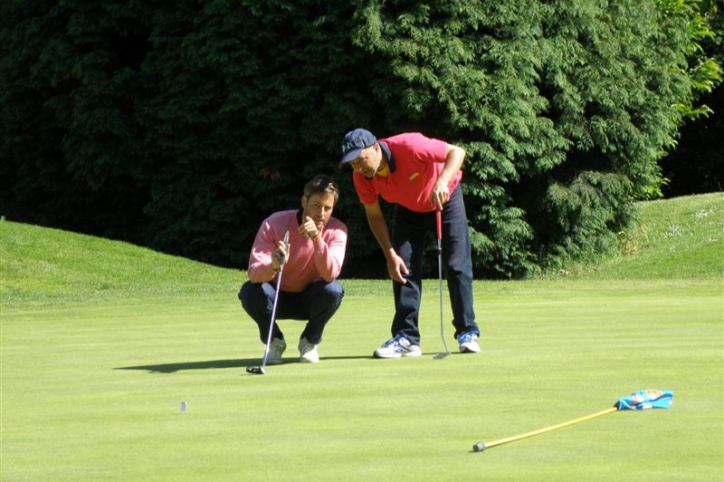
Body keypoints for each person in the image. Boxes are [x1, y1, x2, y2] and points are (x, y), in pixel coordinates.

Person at [339, 128, 480, 358]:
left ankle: (468, 332)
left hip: (444, 198)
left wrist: (442, 181)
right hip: (407, 207)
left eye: (360, 159)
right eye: (352, 164)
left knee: (456, 265)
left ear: (375, 147)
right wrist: (389, 254)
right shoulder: (362, 177)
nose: (358, 167)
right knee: (403, 267)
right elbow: (374, 215)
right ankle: (406, 338)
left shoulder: (409, 146)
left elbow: (457, 152)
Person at [238, 174, 347, 364]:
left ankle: (310, 341)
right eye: (315, 205)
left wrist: (316, 238)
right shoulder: (274, 223)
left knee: (334, 290)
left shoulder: (338, 230)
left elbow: (330, 274)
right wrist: (273, 264)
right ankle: (274, 342)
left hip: (309, 299)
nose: (321, 213)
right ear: (304, 201)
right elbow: (254, 273)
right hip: (274, 297)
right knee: (249, 291)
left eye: (327, 208)